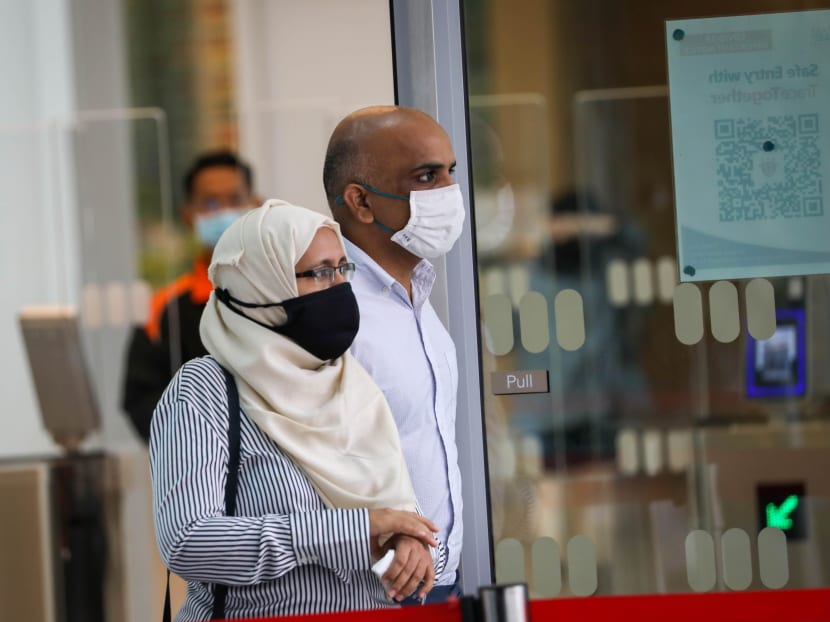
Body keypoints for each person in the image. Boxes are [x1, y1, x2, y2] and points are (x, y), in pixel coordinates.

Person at [151, 200, 446, 620]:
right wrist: (352, 531)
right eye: (319, 272)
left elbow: (389, 511)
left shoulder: (350, 381)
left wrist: (408, 543)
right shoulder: (204, 391)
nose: (340, 286)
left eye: (343, 269)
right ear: (261, 285)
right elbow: (188, 541)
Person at [323, 105, 464, 603]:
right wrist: (386, 550)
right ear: (360, 202)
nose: (448, 192)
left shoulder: (418, 298)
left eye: (451, 172)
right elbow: (310, 466)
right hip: (373, 592)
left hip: (441, 583)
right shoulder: (332, 315)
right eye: (426, 176)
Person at [122, 150, 260, 442]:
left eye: (235, 200)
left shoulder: (288, 291)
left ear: (256, 205)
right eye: (209, 203)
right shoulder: (163, 309)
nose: (223, 212)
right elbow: (141, 400)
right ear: (188, 215)